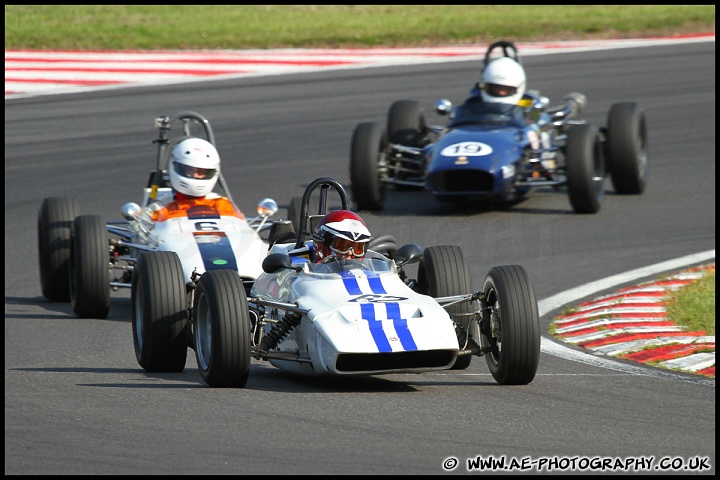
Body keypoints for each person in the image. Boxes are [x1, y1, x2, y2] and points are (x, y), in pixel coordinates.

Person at [148, 137, 245, 222]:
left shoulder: (222, 205)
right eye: (189, 170)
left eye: (201, 172)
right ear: (176, 167)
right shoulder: (160, 208)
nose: (195, 175)